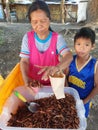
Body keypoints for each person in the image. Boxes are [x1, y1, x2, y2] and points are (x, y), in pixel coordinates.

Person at [19, 0, 72, 88]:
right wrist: (26, 79)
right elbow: (24, 61)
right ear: (30, 22)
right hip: (34, 85)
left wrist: (57, 68)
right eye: (35, 22)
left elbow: (68, 56)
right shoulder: (27, 38)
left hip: (54, 84)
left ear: (49, 19)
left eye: (43, 21)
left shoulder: (57, 38)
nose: (39, 25)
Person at [66, 27, 98, 118]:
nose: (82, 48)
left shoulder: (95, 65)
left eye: (86, 45)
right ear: (74, 45)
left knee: (80, 120)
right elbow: (64, 77)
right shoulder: (70, 60)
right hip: (69, 99)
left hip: (84, 101)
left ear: (92, 46)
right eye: (78, 44)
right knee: (68, 119)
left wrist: (85, 101)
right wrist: (68, 93)